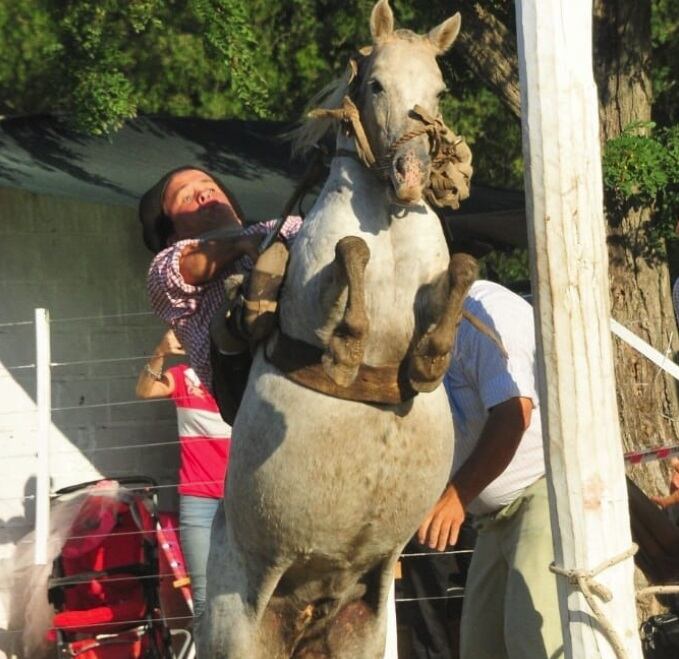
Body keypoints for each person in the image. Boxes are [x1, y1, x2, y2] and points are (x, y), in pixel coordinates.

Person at [417, 279, 563, 659]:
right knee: (482, 650)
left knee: (536, 646)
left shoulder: (486, 311)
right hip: (491, 520)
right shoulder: (413, 324)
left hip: (544, 498)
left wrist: (457, 495)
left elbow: (515, 413)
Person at [139, 166, 302, 404]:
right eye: (186, 197)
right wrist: (239, 245)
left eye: (210, 187)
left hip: (316, 360)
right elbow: (187, 266)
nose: (205, 195)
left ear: (235, 212)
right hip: (247, 391)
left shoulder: (285, 226)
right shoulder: (163, 266)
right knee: (224, 321)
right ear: (172, 237)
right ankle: (248, 313)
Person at [136, 328, 231, 624]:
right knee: (203, 599)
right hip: (198, 500)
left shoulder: (242, 379)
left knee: (246, 594)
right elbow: (145, 390)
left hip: (242, 498)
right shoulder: (183, 376)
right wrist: (160, 351)